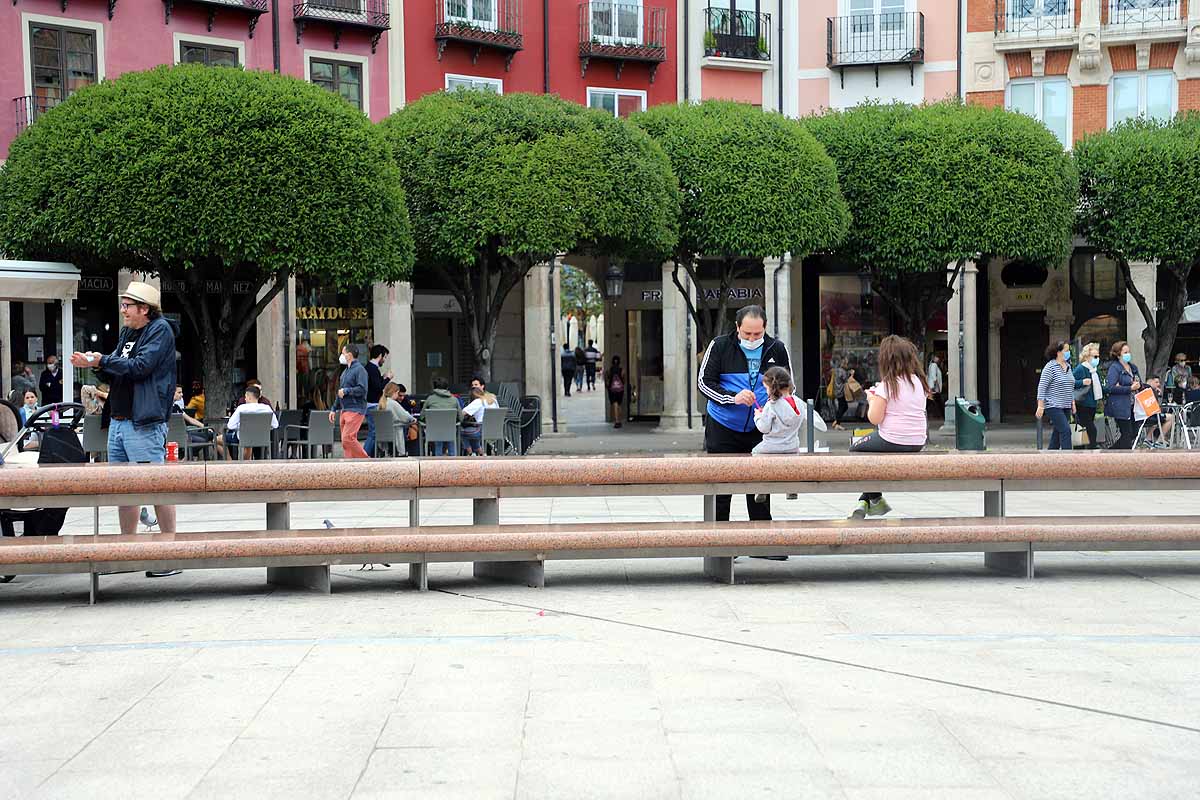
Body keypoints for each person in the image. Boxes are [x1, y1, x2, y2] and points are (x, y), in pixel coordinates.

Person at [69, 281, 180, 575]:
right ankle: (128, 553)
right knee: (124, 491)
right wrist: (95, 364)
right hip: (118, 420)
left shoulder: (160, 331)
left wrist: (105, 359)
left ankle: (169, 556)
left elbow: (141, 367)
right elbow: (117, 369)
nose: (122, 310)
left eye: (127, 305)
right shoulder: (127, 333)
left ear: (145, 309)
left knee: (155, 488)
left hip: (143, 422)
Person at [698, 304, 791, 524]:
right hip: (723, 426)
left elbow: (788, 386)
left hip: (761, 427)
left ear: (765, 328)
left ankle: (761, 542)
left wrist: (772, 403)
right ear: (737, 327)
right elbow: (704, 383)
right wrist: (733, 397)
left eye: (757, 334)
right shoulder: (719, 346)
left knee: (759, 486)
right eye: (747, 333)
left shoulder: (776, 348)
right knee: (720, 487)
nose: (752, 338)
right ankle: (719, 543)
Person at [848, 335, 929, 519]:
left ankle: (874, 498)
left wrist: (871, 398)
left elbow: (874, 418)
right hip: (917, 441)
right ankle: (867, 501)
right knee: (873, 446)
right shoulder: (918, 382)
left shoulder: (888, 384)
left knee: (855, 449)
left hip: (892, 439)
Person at [750, 366, 826, 505]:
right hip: (792, 446)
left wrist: (758, 416)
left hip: (770, 446)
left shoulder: (771, 405)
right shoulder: (798, 403)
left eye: (766, 388)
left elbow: (764, 428)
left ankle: (761, 487)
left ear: (773, 387)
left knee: (755, 453)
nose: (766, 392)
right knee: (789, 463)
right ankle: (791, 488)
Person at [329, 344, 369, 459]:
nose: (341, 356)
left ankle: (366, 460)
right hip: (345, 409)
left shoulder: (360, 370)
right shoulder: (345, 372)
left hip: (355, 409)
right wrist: (334, 408)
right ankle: (351, 465)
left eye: (343, 353)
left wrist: (346, 391)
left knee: (347, 438)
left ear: (349, 355)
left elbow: (362, 389)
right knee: (346, 442)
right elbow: (340, 392)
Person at [218, 385, 278, 460]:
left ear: (249, 397)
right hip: (261, 438)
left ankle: (230, 462)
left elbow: (230, 426)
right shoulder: (267, 408)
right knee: (248, 445)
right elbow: (275, 425)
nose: (245, 399)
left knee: (216, 440)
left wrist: (241, 426)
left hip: (243, 438)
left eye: (245, 396)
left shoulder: (242, 408)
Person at [1036, 341, 1076, 451]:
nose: (1068, 353)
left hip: (1066, 405)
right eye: (1066, 351)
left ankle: (1049, 459)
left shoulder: (1068, 366)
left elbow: (1070, 386)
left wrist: (1072, 403)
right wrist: (1040, 405)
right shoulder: (1050, 367)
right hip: (1053, 406)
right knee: (1065, 430)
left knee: (1057, 434)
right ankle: (1067, 460)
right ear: (1058, 352)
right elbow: (1042, 387)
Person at [1105, 340, 1141, 450]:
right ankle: (1125, 459)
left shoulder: (1133, 367)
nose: (1128, 354)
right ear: (1118, 354)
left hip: (1133, 405)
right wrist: (1129, 388)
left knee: (1134, 432)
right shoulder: (1115, 368)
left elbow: (1139, 382)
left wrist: (1138, 385)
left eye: (1128, 352)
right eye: (1125, 352)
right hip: (1120, 406)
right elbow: (1110, 387)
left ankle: (1110, 452)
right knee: (1126, 433)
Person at [1072, 342, 1103, 450]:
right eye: (1094, 356)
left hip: (1092, 404)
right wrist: (1082, 382)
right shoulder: (1081, 368)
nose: (1097, 358)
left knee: (1082, 430)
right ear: (1086, 357)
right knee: (1091, 430)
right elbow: (1071, 382)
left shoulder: (1094, 371)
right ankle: (1092, 451)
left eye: (1098, 356)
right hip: (1082, 403)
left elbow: (1099, 388)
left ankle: (1079, 452)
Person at [421, 376, 462, 455]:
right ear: (447, 387)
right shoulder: (454, 399)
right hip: (451, 430)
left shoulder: (430, 399)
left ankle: (437, 461)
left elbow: (422, 416)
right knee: (451, 436)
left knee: (438, 438)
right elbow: (461, 417)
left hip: (434, 431)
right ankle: (453, 460)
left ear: (434, 387)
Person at [363, 344, 390, 457]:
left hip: (370, 404)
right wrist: (387, 378)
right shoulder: (372, 369)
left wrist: (382, 378)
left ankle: (370, 455)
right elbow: (378, 387)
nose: (384, 360)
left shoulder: (370, 368)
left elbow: (375, 384)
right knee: (373, 433)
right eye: (384, 357)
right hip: (372, 404)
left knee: (374, 432)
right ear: (380, 356)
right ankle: (363, 455)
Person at [461, 386, 501, 455]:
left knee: (462, 432)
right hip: (496, 430)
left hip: (481, 430)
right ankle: (481, 452)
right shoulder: (493, 400)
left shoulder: (478, 401)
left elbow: (462, 413)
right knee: (472, 434)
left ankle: (471, 453)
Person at [379, 382, 415, 455]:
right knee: (407, 426)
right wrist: (413, 419)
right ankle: (405, 453)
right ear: (395, 392)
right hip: (395, 432)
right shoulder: (393, 403)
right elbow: (405, 417)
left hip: (382, 434)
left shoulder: (381, 403)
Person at [605, 355, 626, 429]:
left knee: (615, 404)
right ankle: (619, 420)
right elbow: (624, 380)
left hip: (612, 390)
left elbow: (607, 381)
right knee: (619, 404)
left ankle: (617, 421)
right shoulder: (622, 370)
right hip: (620, 389)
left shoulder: (609, 370)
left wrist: (608, 387)